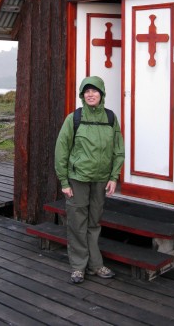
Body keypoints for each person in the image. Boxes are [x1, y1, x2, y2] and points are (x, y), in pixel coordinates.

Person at [55, 76, 125, 284]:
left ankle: (96, 265)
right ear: (82, 95)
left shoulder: (111, 118)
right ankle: (78, 267)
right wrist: (64, 182)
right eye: (87, 91)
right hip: (78, 179)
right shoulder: (74, 119)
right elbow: (61, 151)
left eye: (95, 91)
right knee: (77, 223)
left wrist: (114, 177)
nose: (91, 94)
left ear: (101, 94)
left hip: (100, 180)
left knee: (94, 223)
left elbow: (118, 151)